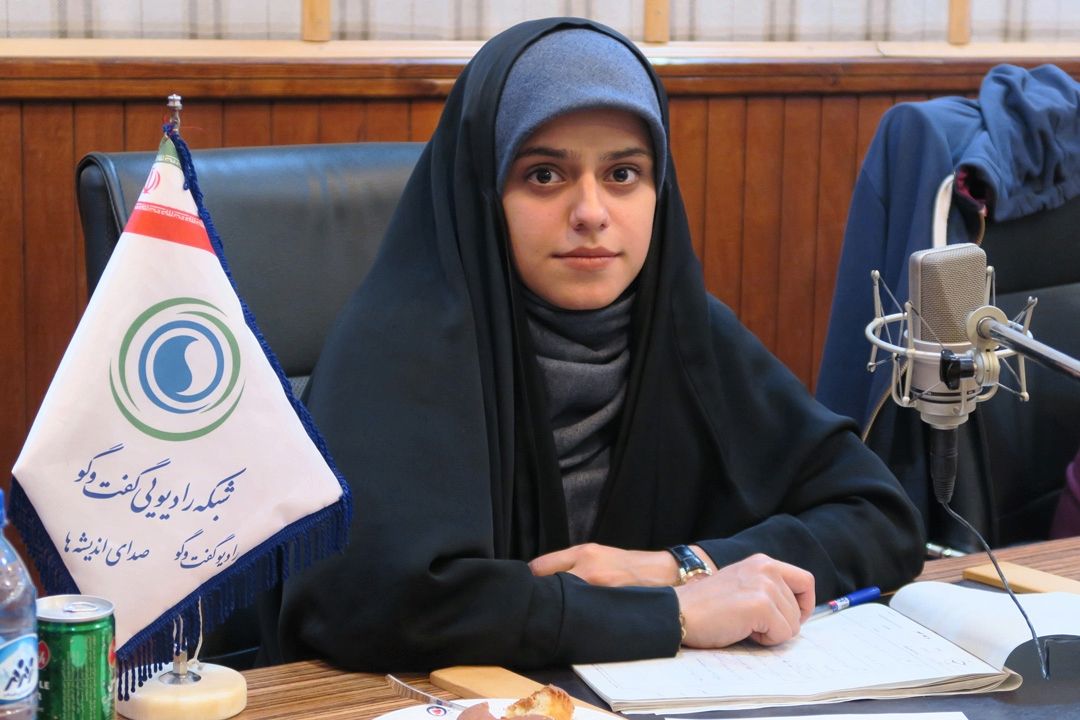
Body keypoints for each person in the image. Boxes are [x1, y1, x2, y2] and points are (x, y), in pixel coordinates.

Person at [266, 17, 925, 671]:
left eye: (623, 173)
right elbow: (370, 602)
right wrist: (670, 614)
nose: (590, 212)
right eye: (544, 175)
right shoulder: (395, 345)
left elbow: (880, 518)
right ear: (484, 191)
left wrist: (680, 566)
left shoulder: (689, 332)